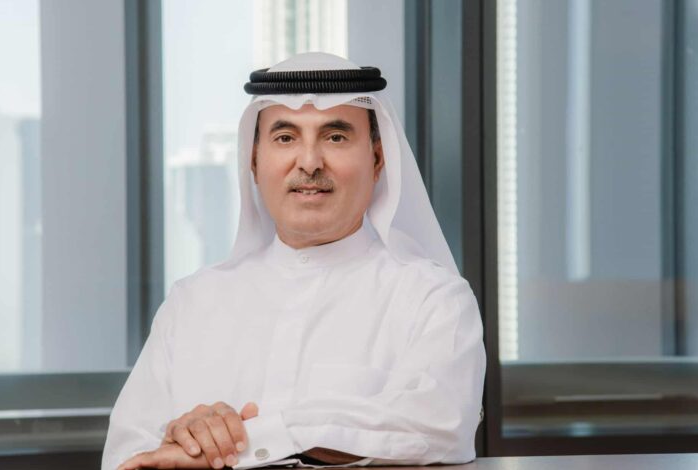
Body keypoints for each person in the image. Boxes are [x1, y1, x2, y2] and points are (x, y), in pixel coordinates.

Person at [103, 52, 486, 470]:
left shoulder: (434, 300)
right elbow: (129, 457)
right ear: (253, 161)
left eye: (335, 137)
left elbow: (436, 427)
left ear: (377, 160)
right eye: (285, 138)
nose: (309, 162)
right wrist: (183, 441)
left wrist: (237, 444)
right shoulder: (191, 304)